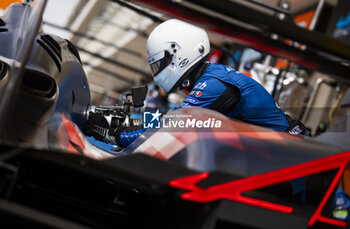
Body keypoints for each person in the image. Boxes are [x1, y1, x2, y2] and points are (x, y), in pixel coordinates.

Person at [86, 19, 309, 148]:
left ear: (177, 54)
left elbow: (168, 128)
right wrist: (122, 125)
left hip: (291, 163)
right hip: (278, 154)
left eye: (160, 64)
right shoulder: (211, 77)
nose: (158, 72)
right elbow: (168, 121)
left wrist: (113, 134)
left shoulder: (213, 84)